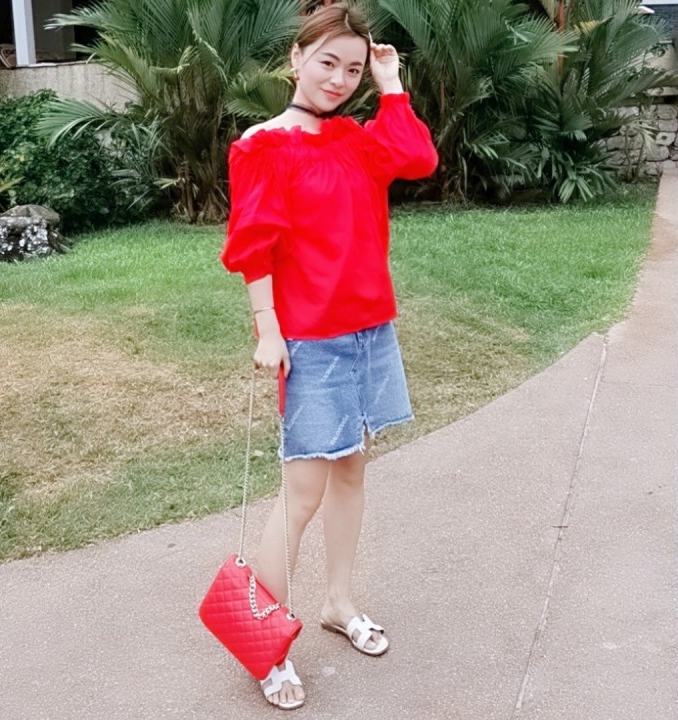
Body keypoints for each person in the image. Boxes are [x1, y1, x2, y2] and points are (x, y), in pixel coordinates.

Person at [220, 1, 438, 710]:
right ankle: (264, 644)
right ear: (296, 59)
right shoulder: (263, 144)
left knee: (351, 472)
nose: (339, 80)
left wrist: (390, 82)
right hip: (312, 341)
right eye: (328, 63)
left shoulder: (355, 139)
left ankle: (339, 602)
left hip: (371, 332)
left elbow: (418, 158)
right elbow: (254, 246)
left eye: (352, 69)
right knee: (302, 494)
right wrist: (267, 328)